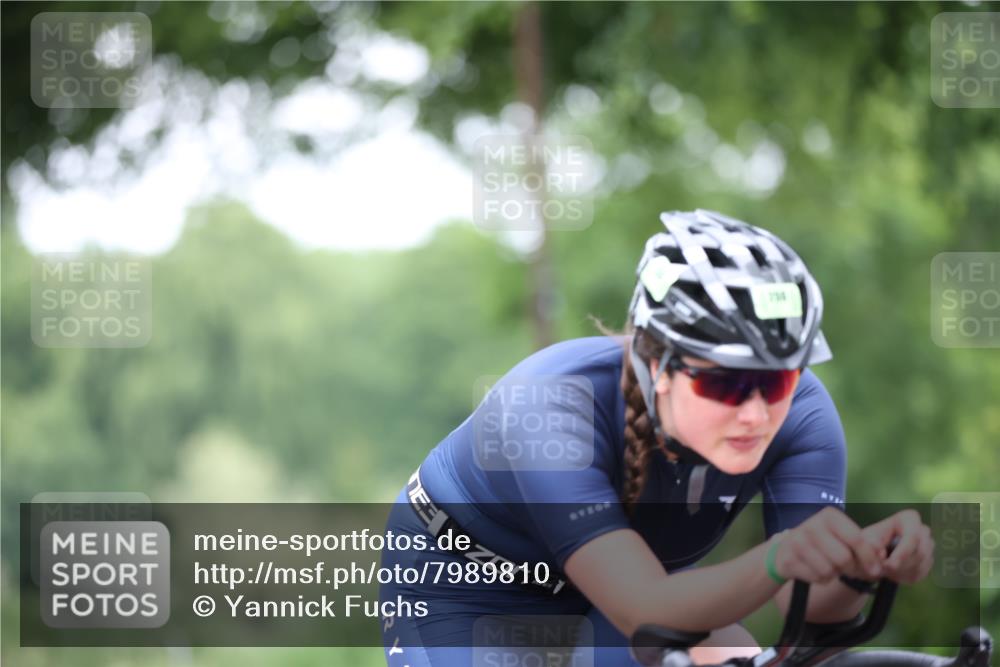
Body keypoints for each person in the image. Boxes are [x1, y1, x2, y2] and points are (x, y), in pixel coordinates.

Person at [379, 209, 935, 667]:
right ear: (657, 366)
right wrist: (781, 554)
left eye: (778, 380)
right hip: (466, 585)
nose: (756, 413)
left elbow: (807, 607)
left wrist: (863, 569)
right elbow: (646, 610)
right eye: (724, 382)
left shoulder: (804, 414)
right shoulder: (550, 406)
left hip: (631, 582)